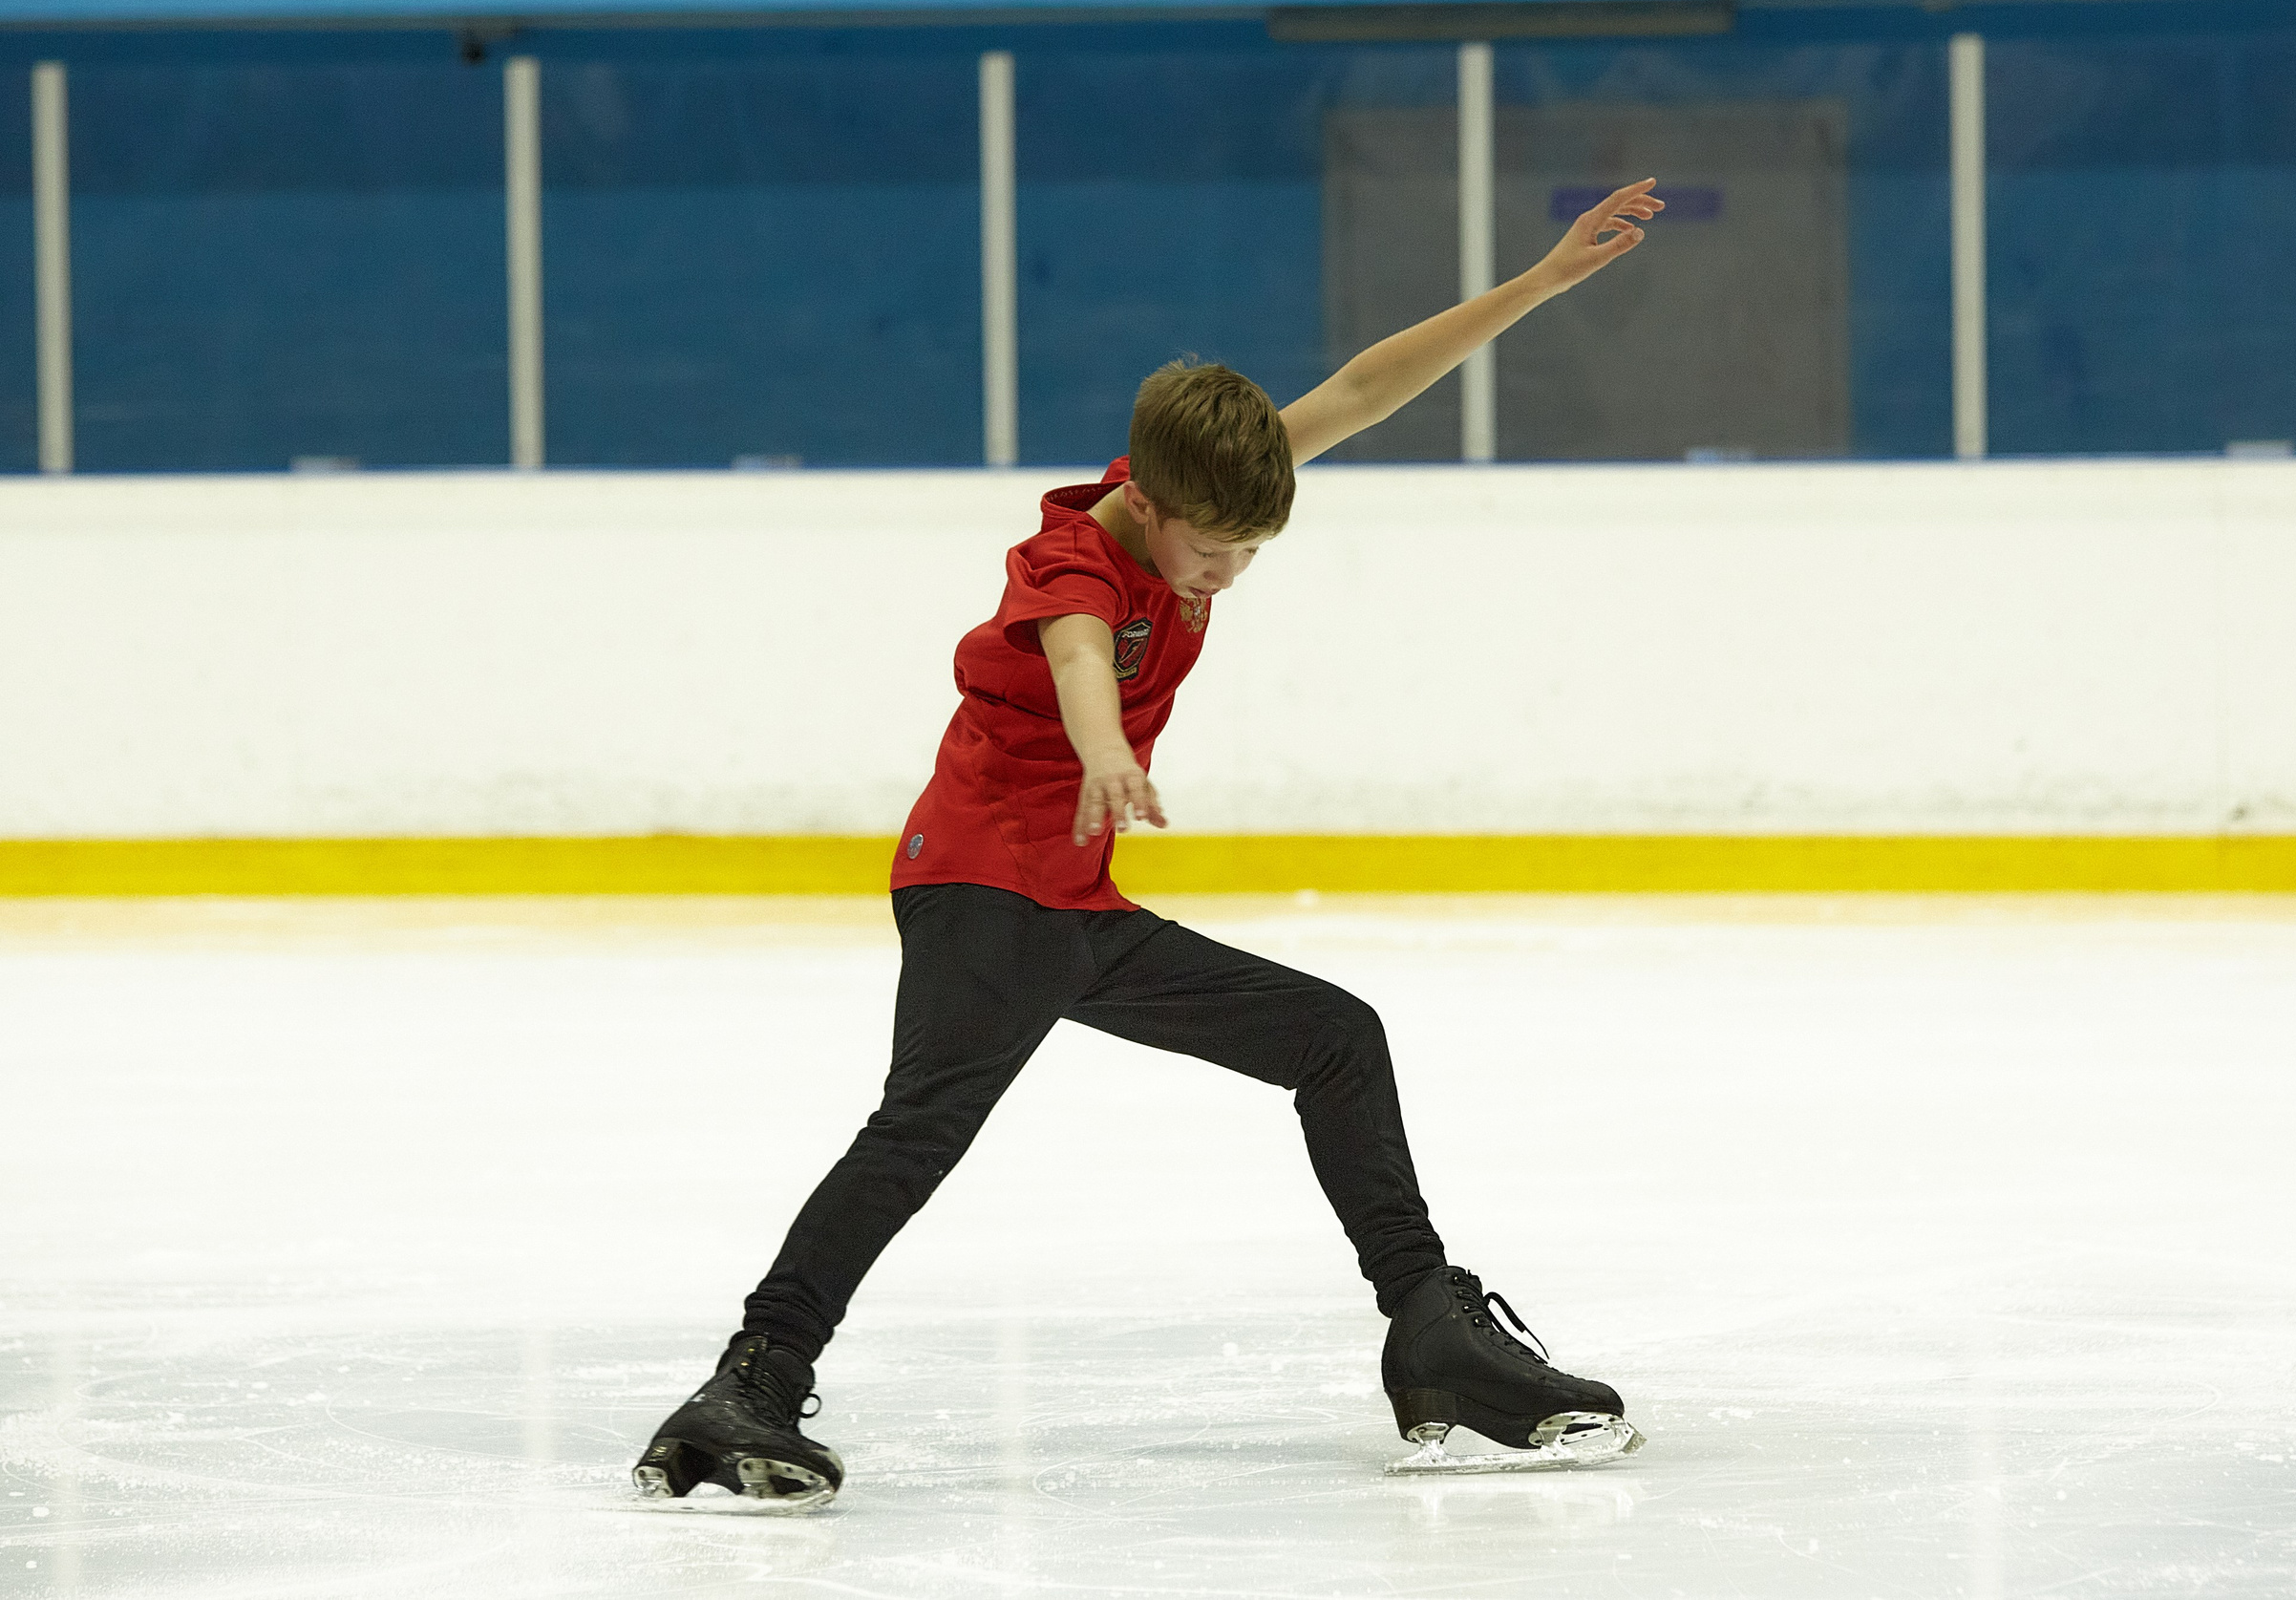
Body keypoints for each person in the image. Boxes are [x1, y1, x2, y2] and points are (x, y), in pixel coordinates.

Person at [633, 179, 1669, 1504]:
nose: (1228, 571)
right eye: (1219, 548)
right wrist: (1108, 748)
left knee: (1333, 1037)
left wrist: (1539, 284)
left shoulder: (1185, 494)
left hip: (1073, 901)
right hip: (984, 889)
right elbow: (1075, 646)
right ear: (1159, 502)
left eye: (1251, 550)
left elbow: (1358, 391)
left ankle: (1435, 1331)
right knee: (916, 1135)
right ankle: (753, 1379)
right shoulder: (1070, 562)